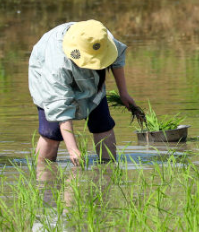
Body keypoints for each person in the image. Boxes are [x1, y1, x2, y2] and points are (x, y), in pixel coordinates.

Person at [28, 20, 136, 165]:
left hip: (91, 79)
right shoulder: (56, 65)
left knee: (102, 123)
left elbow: (116, 59)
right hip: (47, 74)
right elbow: (59, 105)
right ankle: (43, 178)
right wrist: (72, 150)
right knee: (51, 132)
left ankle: (108, 171)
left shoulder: (101, 38)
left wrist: (124, 92)